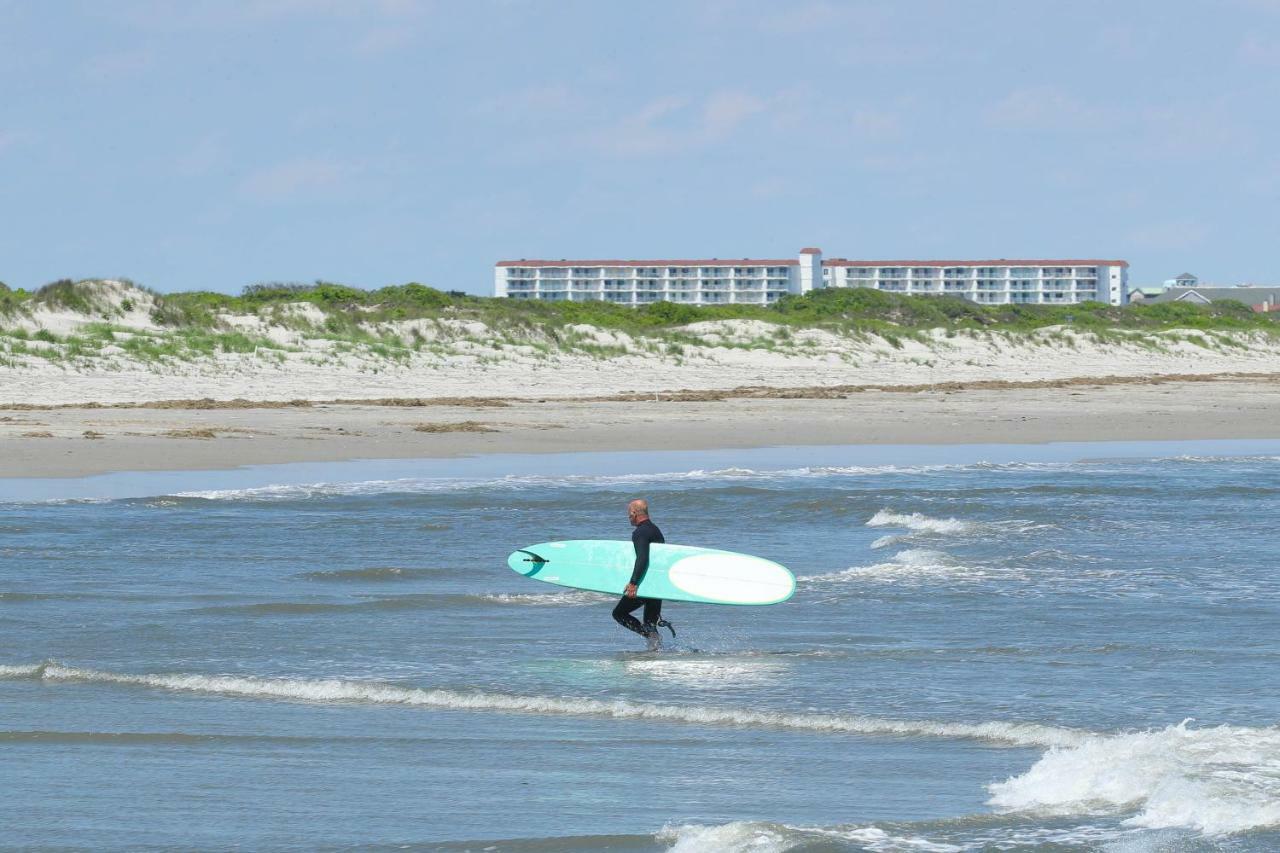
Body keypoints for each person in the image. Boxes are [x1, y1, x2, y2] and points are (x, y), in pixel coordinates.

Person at [612, 498, 672, 650]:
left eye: (628, 513)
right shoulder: (655, 530)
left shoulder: (640, 532)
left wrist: (634, 582)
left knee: (619, 613)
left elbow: (642, 557)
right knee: (650, 625)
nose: (628, 517)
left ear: (634, 512)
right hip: (656, 586)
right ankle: (654, 659)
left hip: (645, 584)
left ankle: (652, 639)